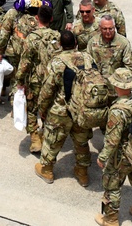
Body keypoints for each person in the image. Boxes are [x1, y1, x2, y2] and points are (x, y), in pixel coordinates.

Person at [36, 30, 97, 187]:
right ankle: (82, 174)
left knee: (53, 140)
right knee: (82, 142)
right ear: (76, 43)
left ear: (61, 45)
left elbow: (47, 90)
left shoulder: (57, 62)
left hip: (61, 111)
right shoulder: (88, 58)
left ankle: (47, 170)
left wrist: (42, 110)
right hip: (83, 110)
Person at [97, 69, 132, 226]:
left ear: (116, 85)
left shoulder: (117, 110)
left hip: (122, 155)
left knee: (112, 185)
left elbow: (113, 140)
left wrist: (103, 157)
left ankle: (111, 219)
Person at [14, 6, 60, 154]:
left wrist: (20, 80)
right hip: (52, 81)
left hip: (35, 80)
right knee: (48, 108)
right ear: (51, 19)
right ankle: (45, 134)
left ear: (37, 19)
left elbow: (25, 62)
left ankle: (35, 139)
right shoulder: (57, 37)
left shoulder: (32, 38)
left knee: (32, 109)